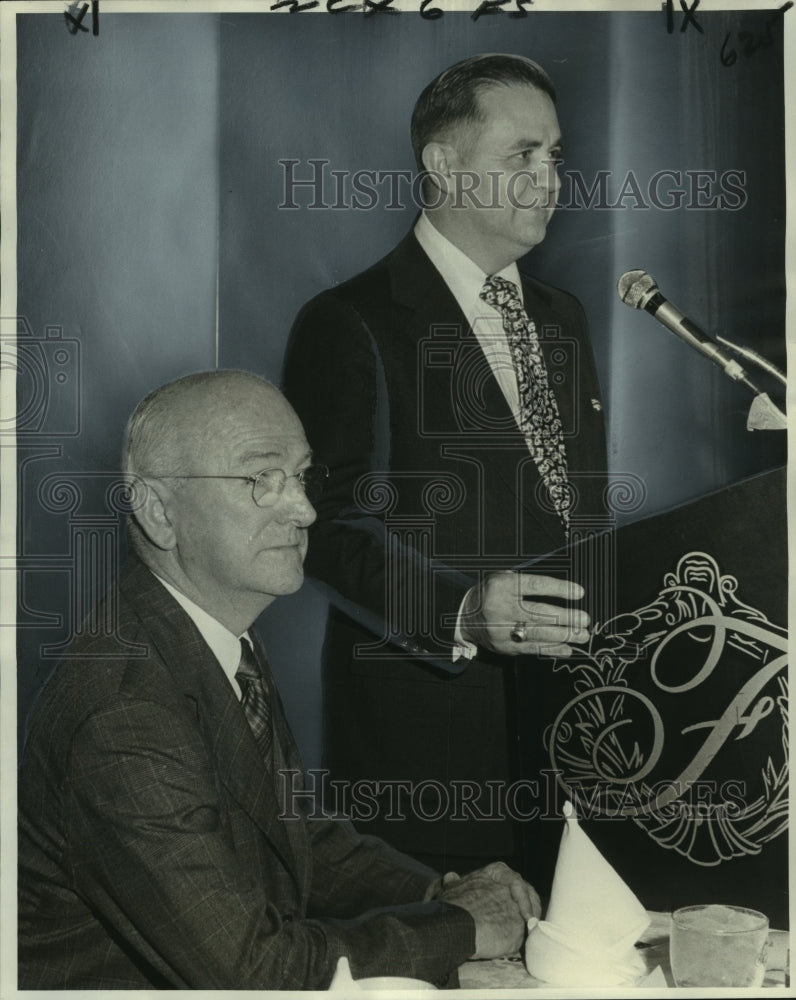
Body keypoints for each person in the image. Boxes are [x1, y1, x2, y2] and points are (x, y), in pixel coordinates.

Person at [17, 370, 542, 990]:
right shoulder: (123, 714)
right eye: (261, 479)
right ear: (159, 511)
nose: (305, 509)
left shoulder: (215, 632)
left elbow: (296, 838)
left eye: (300, 475)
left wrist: (439, 889)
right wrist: (461, 926)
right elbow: (255, 973)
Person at [282, 54, 608, 877]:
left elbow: (575, 512)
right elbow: (324, 530)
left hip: (583, 745)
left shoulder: (563, 318)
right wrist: (464, 612)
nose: (549, 179)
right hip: (430, 768)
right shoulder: (347, 322)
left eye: (556, 156)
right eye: (522, 156)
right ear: (443, 165)